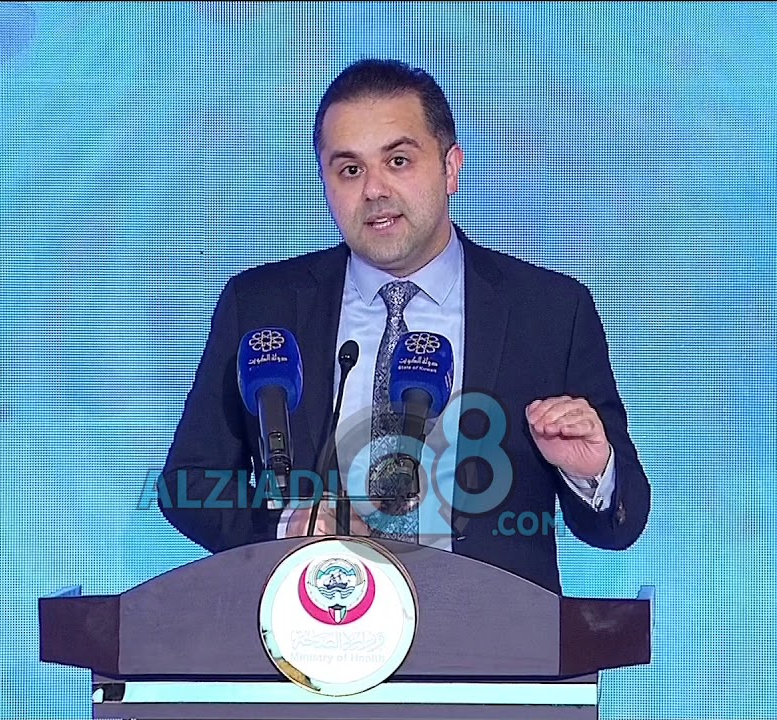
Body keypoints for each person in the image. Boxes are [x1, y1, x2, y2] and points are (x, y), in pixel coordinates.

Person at [158, 58, 649, 593]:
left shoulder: (549, 311)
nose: (374, 190)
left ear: (450, 168)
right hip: (313, 622)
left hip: (493, 632)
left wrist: (591, 471)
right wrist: (286, 527)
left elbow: (619, 524)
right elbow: (189, 483)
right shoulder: (260, 305)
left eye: (398, 161)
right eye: (350, 170)